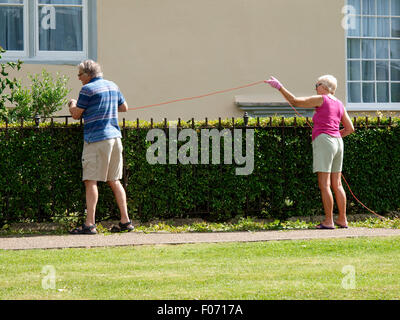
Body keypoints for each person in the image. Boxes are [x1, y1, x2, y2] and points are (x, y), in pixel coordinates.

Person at [265, 75, 355, 229]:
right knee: (337, 184)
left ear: (325, 87)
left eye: (317, 84)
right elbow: (350, 128)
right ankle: (342, 219)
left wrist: (279, 87)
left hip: (325, 141)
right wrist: (334, 136)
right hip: (338, 143)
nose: (315, 87)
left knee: (324, 184)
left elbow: (294, 101)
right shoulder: (339, 104)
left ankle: (328, 221)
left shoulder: (322, 98)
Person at [68, 60, 134, 234]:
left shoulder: (87, 90)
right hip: (115, 139)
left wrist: (72, 104)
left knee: (91, 181)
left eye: (80, 74)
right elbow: (124, 107)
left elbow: (76, 115)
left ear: (88, 74)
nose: (79, 78)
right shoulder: (112, 85)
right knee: (115, 180)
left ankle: (89, 224)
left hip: (96, 140)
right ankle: (126, 221)